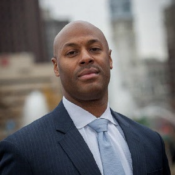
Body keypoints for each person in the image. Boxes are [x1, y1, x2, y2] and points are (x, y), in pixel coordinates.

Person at [0, 21, 170, 175]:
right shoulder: (22, 150)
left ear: (110, 59)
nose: (86, 58)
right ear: (56, 67)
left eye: (94, 49)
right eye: (72, 52)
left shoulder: (151, 141)